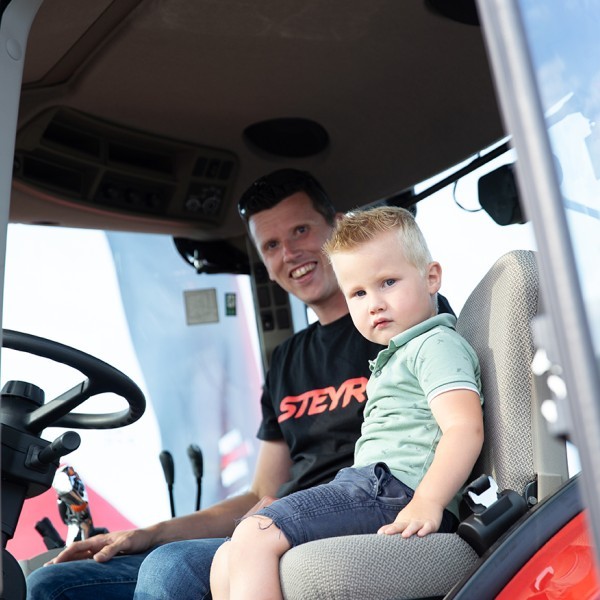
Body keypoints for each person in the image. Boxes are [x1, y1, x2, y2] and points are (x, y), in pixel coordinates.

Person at [26, 171, 454, 600]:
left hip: (354, 511)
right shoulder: (286, 360)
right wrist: (150, 532)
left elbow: (451, 427)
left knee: (170, 567)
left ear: (339, 229)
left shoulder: (401, 327)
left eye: (301, 230)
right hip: (274, 525)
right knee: (54, 585)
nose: (290, 253)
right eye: (271, 245)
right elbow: (260, 492)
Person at [209, 206, 484, 600]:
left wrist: (428, 500)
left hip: (395, 489)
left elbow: (463, 428)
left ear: (431, 277)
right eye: (358, 293)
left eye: (388, 282)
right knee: (227, 556)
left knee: (255, 532)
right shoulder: (397, 355)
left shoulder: (435, 345)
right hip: (369, 486)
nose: (374, 303)